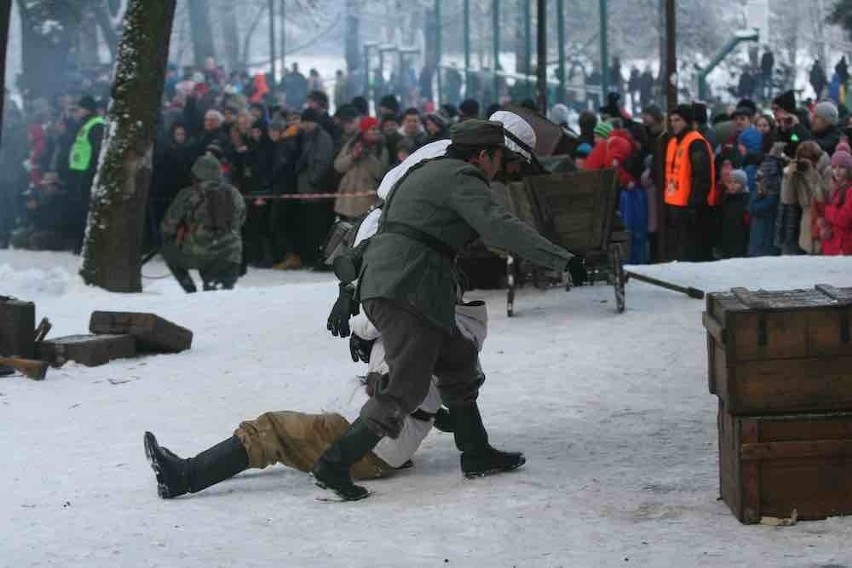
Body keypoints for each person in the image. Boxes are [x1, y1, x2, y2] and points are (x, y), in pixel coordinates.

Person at [315, 120, 573, 501]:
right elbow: (500, 227)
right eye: (499, 159)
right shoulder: (461, 177)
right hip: (407, 288)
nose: (500, 168)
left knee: (457, 358)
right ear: (483, 155)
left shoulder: (424, 169)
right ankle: (334, 465)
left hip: (407, 284)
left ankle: (476, 452)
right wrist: (563, 260)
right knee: (406, 387)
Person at [143, 302, 487, 499]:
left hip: (368, 441)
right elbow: (448, 403)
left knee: (269, 430)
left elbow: (366, 321)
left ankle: (183, 476)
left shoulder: (421, 315)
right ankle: (202, 468)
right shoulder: (453, 331)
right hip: (379, 440)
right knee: (284, 435)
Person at [160, 155, 246, 292]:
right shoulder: (234, 193)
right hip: (232, 258)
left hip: (201, 257)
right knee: (221, 301)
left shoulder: (187, 194)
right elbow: (241, 219)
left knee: (167, 251)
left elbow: (167, 226)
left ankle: (190, 290)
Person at [663, 104, 717, 262]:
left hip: (692, 207)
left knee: (693, 253)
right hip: (675, 203)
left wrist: (695, 204)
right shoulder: (673, 142)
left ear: (687, 121)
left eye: (677, 120)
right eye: (672, 120)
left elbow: (702, 177)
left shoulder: (695, 143)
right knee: (681, 252)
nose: (673, 124)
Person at [67, 94, 105, 252]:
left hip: (88, 173)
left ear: (87, 109)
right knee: (80, 209)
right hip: (80, 172)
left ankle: (84, 244)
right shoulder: (86, 123)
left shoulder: (96, 125)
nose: (78, 111)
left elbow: (97, 150)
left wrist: (91, 170)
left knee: (85, 209)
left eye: (80, 108)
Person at [334, 116, 389, 220]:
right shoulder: (352, 145)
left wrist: (367, 155)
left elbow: (380, 173)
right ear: (364, 131)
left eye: (377, 129)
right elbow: (338, 166)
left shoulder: (381, 148)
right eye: (372, 129)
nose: (376, 132)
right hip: (348, 199)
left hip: (368, 200)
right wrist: (353, 156)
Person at [818, 149, 852, 255]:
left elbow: (844, 219)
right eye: (834, 167)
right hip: (832, 245)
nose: (837, 171)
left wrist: (827, 211)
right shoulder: (834, 188)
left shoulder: (850, 190)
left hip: (844, 246)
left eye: (841, 167)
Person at [720, 169, 750, 258]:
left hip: (740, 240)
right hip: (726, 239)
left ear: (743, 184)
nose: (732, 185)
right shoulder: (725, 199)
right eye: (730, 182)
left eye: (736, 182)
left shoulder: (746, 200)